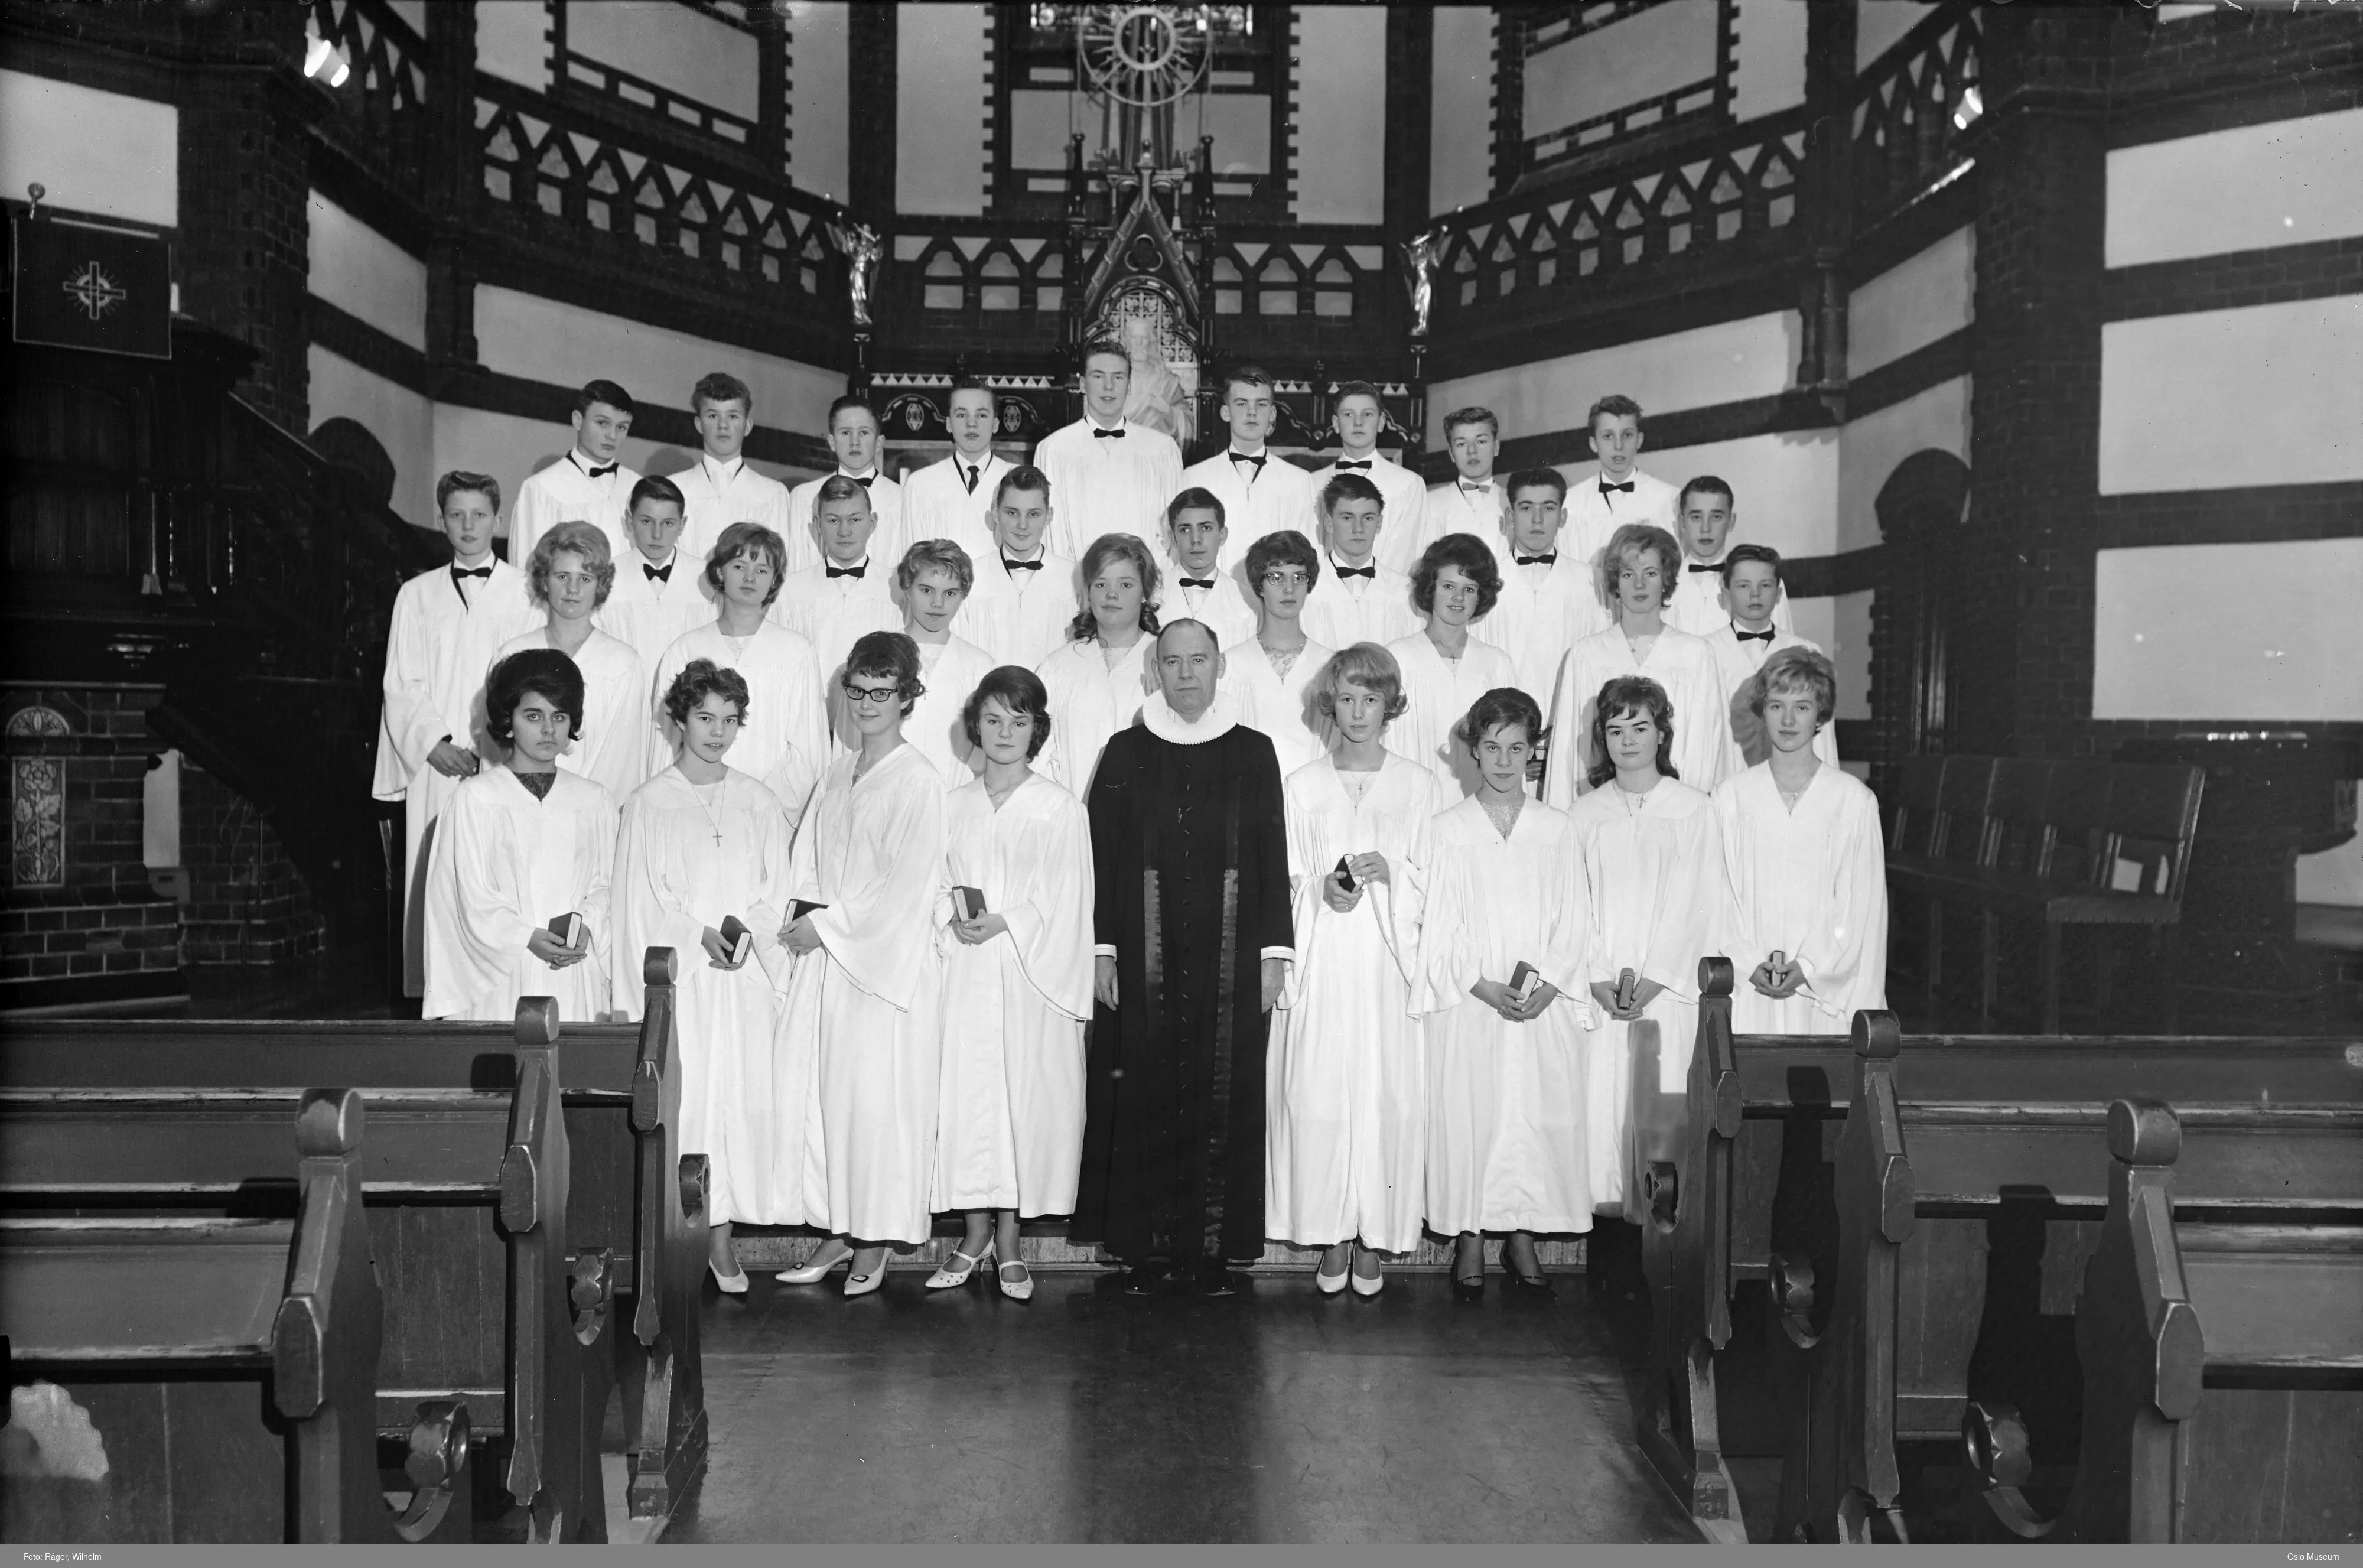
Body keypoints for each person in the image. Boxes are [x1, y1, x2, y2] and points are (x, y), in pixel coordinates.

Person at [1072, 619, 1294, 1297]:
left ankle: (1211, 1253)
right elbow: (1102, 857)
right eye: (1173, 661)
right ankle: (1146, 1251)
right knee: (1141, 1089)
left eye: (1199, 659)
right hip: (1142, 950)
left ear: (1220, 665)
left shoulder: (1254, 751)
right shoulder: (1123, 750)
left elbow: (1269, 853)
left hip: (1231, 954)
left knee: (1221, 1090)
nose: (1187, 673)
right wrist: (1103, 949)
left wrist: (1272, 954)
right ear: (1154, 671)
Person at [1267, 644, 1449, 1297]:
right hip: (1325, 960)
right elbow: (1281, 877)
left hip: (1385, 963)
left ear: (1390, 704)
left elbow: (1438, 883)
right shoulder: (1303, 786)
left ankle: (1376, 1235)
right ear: (1330, 704)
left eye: (1371, 698)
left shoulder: (1418, 784)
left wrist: (1391, 874)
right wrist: (1320, 889)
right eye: (1346, 697)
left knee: (1385, 1095)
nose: (1358, 711)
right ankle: (1333, 1232)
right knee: (1321, 1093)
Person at [772, 632, 949, 1298]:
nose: (868, 703)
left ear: (907, 697)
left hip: (882, 969)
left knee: (875, 1105)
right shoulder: (837, 770)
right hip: (831, 960)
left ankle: (873, 1239)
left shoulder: (919, 779)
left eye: (883, 692)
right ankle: (838, 1231)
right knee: (831, 1102)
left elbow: (906, 885)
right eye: (858, 690)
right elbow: (810, 863)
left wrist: (828, 925)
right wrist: (802, 915)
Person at [611, 659, 796, 1293]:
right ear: (678, 719)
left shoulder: (758, 799)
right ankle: (677, 1243)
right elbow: (637, 901)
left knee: (736, 1106)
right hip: (686, 985)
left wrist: (750, 935)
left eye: (729, 719)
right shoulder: (649, 803)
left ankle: (721, 1245)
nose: (717, 731)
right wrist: (696, 934)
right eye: (704, 717)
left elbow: (778, 892)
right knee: (689, 1107)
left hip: (743, 983)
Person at [1415, 687, 1596, 1302]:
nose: (1502, 759)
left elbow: (1576, 918)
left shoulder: (1557, 827)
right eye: (1490, 746)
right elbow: (1439, 921)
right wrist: (1483, 985)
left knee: (1529, 1112)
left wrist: (1548, 985)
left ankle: (1521, 1233)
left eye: (1515, 747)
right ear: (1472, 750)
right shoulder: (1447, 829)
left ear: (1533, 752)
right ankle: (1468, 1234)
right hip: (1474, 999)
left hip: (1539, 1001)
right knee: (1472, 1112)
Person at [929, 666, 1095, 1302]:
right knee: (971, 1099)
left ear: (1037, 729)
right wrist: (953, 915)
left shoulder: (1059, 808)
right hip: (966, 972)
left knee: (1021, 1100)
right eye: (992, 720)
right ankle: (973, 1237)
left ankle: (1014, 1242)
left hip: (1029, 972)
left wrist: (1008, 921)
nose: (1004, 733)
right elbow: (932, 884)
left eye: (1018, 721)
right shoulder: (950, 805)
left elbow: (1068, 898)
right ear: (975, 724)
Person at [374, 470, 541, 998]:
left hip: (506, 756)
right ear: (441, 519)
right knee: (438, 872)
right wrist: (435, 745)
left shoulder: (528, 593)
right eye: (456, 515)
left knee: (503, 865)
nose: (468, 525)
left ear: (498, 518)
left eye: (479, 515)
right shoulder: (416, 595)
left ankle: (507, 985)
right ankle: (439, 992)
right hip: (438, 763)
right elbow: (401, 683)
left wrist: (507, 745)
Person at [1565, 675, 1726, 1216]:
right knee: (1603, 1114)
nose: (1628, 739)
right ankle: (1606, 1236)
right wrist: (1596, 974)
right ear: (1602, 740)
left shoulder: (1694, 810)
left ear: (1662, 734)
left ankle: (1660, 1238)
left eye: (1640, 726)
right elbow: (1574, 903)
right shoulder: (1583, 815)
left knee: (1659, 1114)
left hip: (1665, 993)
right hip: (1604, 991)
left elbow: (1696, 903)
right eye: (1615, 729)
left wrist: (1655, 979)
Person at [423, 649, 616, 1026]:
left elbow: (609, 884)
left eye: (559, 717)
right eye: (533, 716)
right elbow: (467, 895)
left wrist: (586, 925)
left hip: (575, 971)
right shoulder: (476, 798)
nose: (548, 729)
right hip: (503, 975)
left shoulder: (594, 800)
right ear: (507, 722)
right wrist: (525, 936)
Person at [1711, 648, 1887, 1035]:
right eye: (1777, 705)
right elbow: (1717, 894)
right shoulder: (1732, 797)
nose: (1788, 720)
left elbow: (1860, 906)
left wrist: (1808, 966)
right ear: (1763, 710)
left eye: (1802, 706)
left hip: (1823, 988)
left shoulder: (1853, 801)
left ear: (1821, 713)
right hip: (1749, 982)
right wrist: (1747, 960)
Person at [650, 522, 829, 832]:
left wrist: (758, 804)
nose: (749, 578)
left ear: (774, 581)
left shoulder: (796, 651)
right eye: (739, 566)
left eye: (762, 570)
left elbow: (808, 750)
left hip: (768, 816)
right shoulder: (686, 649)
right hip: (691, 812)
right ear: (720, 572)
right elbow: (665, 742)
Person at [1542, 523, 1734, 805]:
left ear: (1666, 580)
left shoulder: (1696, 655)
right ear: (1615, 583)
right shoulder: (1586, 654)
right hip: (1602, 812)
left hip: (1676, 810)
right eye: (1628, 574)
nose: (1640, 585)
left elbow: (1710, 750)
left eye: (1651, 573)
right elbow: (1567, 755)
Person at [491, 521, 651, 805]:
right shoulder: (513, 654)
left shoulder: (622, 663)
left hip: (592, 813)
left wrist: (578, 807)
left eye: (585, 578)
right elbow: (495, 749)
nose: (572, 589)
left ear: (601, 585)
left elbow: (623, 762)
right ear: (543, 580)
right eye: (562, 576)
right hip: (517, 809)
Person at [1386, 535, 1519, 798]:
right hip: (1417, 801)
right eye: (1448, 586)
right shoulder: (1400, 656)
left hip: (1479, 804)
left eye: (1469, 589)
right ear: (1431, 588)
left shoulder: (1496, 663)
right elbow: (1389, 744)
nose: (1458, 598)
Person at [1031, 336, 1184, 559]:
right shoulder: (1054, 450)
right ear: (1083, 384)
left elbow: (1174, 530)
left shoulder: (1161, 450)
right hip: (1078, 583)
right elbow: (1051, 534)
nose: (1108, 386)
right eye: (1098, 376)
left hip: (1144, 583)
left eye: (1118, 377)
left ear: (1129, 385)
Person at [770, 475, 902, 731]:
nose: (844, 531)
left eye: (855, 519)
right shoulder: (790, 591)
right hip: (808, 725)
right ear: (818, 525)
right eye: (833, 520)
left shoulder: (897, 589)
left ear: (873, 522)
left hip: (875, 728)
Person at [1477, 469, 1609, 720]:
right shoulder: (1486, 580)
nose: (1537, 520)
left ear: (1563, 517)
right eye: (1526, 508)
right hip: (1501, 727)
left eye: (1548, 508)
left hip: (1570, 723)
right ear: (1511, 517)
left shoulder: (1590, 582)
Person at [1034, 533, 1160, 794]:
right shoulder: (1059, 666)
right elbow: (1038, 752)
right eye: (1101, 585)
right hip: (1071, 820)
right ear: (1088, 592)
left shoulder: (1164, 659)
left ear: (1145, 594)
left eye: (1126, 585)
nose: (1112, 595)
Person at [1174, 365, 1317, 580]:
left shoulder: (1298, 480)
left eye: (1261, 404)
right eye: (1242, 404)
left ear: (1273, 413)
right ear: (1225, 412)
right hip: (1214, 601)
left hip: (1274, 601)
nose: (1252, 412)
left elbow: (1305, 555)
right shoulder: (1195, 478)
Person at [1701, 544, 1837, 768]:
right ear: (1726, 592)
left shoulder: (1806, 652)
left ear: (1779, 594)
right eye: (1744, 585)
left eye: (1765, 585)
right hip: (1725, 779)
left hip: (1790, 781)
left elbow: (1822, 733)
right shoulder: (1705, 650)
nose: (1755, 594)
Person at [1225, 529, 1336, 777]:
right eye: (1276, 577)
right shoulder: (1231, 665)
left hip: (1315, 802)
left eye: (1299, 578)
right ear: (1260, 586)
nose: (1289, 589)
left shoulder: (1330, 664)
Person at [893, 539, 997, 780]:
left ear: (963, 595)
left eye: (950, 593)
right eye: (927, 590)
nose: (937, 603)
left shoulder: (981, 666)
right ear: (908, 588)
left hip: (955, 799)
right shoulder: (880, 655)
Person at [598, 476, 715, 688]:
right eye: (647, 521)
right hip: (624, 695)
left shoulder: (707, 579)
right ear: (629, 521)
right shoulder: (607, 577)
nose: (657, 534)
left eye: (668, 523)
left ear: (683, 525)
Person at [959, 466, 1078, 669]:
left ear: (1049, 516)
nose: (1022, 525)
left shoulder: (1074, 579)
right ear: (996, 514)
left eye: (1033, 514)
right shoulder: (972, 577)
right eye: (1013, 512)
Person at [1304, 382, 1427, 577]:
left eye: (1367, 414)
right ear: (1336, 424)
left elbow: (1405, 552)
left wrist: (1372, 591)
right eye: (1348, 415)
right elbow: (1310, 546)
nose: (1358, 422)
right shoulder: (1313, 483)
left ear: (1381, 422)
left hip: (1385, 595)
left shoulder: (1408, 484)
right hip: (1327, 594)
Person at [511, 379, 640, 565]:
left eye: (622, 427)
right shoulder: (541, 488)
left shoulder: (636, 486)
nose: (612, 436)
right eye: (603, 423)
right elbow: (527, 570)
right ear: (578, 420)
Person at [672, 372, 792, 567]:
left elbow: (778, 570)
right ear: (698, 424)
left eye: (733, 416)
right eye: (712, 416)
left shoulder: (773, 494)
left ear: (748, 426)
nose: (723, 426)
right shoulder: (675, 489)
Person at [1560, 395, 1678, 591]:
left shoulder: (1668, 498)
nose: (1618, 446)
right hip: (1590, 610)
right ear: (1593, 443)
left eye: (1627, 435)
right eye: (1608, 436)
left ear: (1639, 440)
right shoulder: (1571, 502)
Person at [1664, 477, 1796, 639]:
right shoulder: (1662, 584)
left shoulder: (1765, 581)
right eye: (1696, 517)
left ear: (1731, 521)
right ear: (1683, 523)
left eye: (1716, 517)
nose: (1706, 528)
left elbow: (1785, 655)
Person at [1299, 473, 1419, 653]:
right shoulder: (1306, 590)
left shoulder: (1405, 591)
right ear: (1329, 524)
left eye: (1368, 518)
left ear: (1379, 524)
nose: (1358, 529)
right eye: (1348, 518)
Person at [786, 396, 904, 573]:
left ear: (879, 443)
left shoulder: (901, 499)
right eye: (845, 433)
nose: (854, 442)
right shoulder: (804, 497)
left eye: (864, 432)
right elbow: (794, 565)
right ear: (832, 442)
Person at [899, 379, 1011, 565]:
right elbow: (912, 561)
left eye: (982, 415)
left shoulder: (1017, 480)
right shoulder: (920, 484)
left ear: (996, 424)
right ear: (949, 424)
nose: (971, 424)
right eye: (961, 415)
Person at [1161, 489, 1259, 650]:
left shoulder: (1249, 602)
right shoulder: (1151, 593)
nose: (1196, 540)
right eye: (1185, 530)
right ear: (1173, 538)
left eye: (1205, 528)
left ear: (1223, 535)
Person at [1419, 406, 1506, 559]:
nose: (1472, 451)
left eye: (1481, 441)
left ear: (1496, 447)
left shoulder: (1512, 503)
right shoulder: (1429, 503)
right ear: (1451, 454)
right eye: (1462, 444)